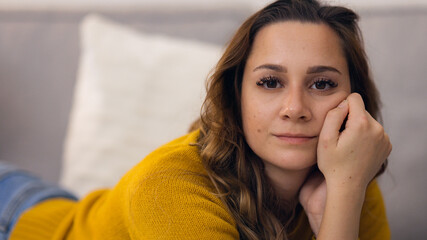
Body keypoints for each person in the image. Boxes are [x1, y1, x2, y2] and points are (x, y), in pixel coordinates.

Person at [1, 0, 391, 239]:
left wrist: (338, 203)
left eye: (321, 83)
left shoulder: (346, 173)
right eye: (270, 82)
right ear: (235, 95)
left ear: (353, 99)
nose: (295, 107)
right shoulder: (169, 189)